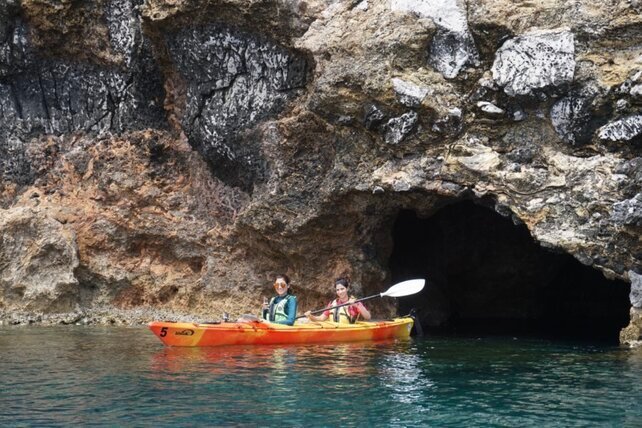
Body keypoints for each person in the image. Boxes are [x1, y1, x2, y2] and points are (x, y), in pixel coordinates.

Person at [305, 277, 371, 323]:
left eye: (342, 289)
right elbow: (321, 318)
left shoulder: (355, 302)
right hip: (334, 333)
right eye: (337, 290)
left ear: (347, 289)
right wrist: (310, 316)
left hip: (348, 333)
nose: (340, 292)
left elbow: (368, 317)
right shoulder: (333, 304)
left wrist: (357, 305)